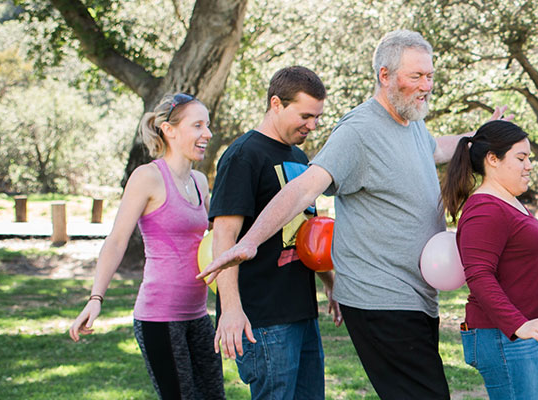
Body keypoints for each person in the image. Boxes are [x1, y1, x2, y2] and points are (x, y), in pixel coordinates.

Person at [198, 30, 507, 398]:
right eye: (416, 76)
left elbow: (435, 149)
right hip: (381, 297)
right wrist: (249, 242)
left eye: (430, 76)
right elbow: (304, 188)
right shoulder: (358, 130)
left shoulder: (411, 123)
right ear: (385, 75)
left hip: (413, 296)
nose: (426, 85)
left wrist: (475, 137)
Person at [69, 93, 224, 399]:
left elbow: (212, 240)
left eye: (207, 125)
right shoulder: (148, 177)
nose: (207, 133)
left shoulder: (199, 181)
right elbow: (116, 241)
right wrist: (96, 297)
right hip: (159, 317)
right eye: (197, 125)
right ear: (169, 130)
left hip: (198, 313)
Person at [209, 66, 340, 400]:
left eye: (317, 118)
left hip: (301, 310)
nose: (312, 126)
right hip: (262, 319)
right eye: (306, 115)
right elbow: (224, 235)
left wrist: (330, 284)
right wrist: (231, 309)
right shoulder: (243, 156)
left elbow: (306, 230)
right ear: (276, 104)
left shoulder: (298, 157)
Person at [441, 120, 538, 400]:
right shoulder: (485, 208)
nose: (529, 166)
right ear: (493, 159)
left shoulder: (509, 202)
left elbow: (520, 257)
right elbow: (478, 275)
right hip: (503, 334)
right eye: (521, 158)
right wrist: (517, 325)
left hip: (531, 327)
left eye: (529, 159)